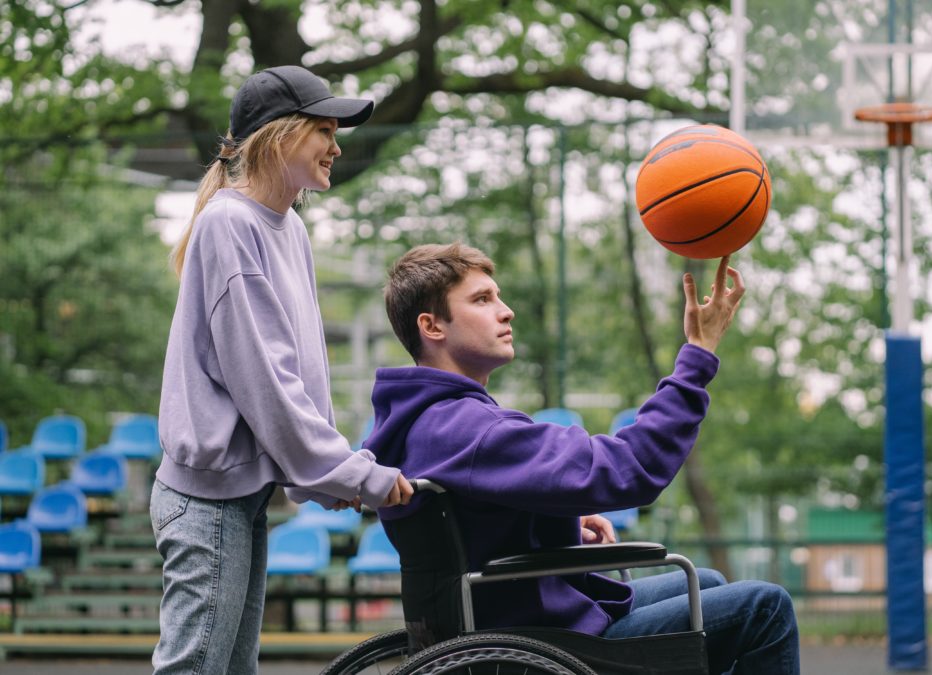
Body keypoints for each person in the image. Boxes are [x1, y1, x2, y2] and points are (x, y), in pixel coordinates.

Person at [367, 242, 799, 674]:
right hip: (534, 641)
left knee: (707, 585)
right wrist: (698, 354)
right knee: (765, 608)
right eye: (482, 299)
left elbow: (474, 523)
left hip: (497, 622)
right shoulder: (465, 427)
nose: (506, 310)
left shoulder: (427, 421)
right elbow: (626, 468)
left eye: (498, 296)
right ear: (432, 327)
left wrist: (562, 521)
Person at [151, 65, 413, 675]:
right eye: (324, 129)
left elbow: (301, 372)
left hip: (245, 496)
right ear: (279, 136)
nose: (337, 145)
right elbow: (265, 383)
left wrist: (321, 477)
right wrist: (351, 476)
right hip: (207, 499)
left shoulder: (289, 227)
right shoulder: (229, 224)